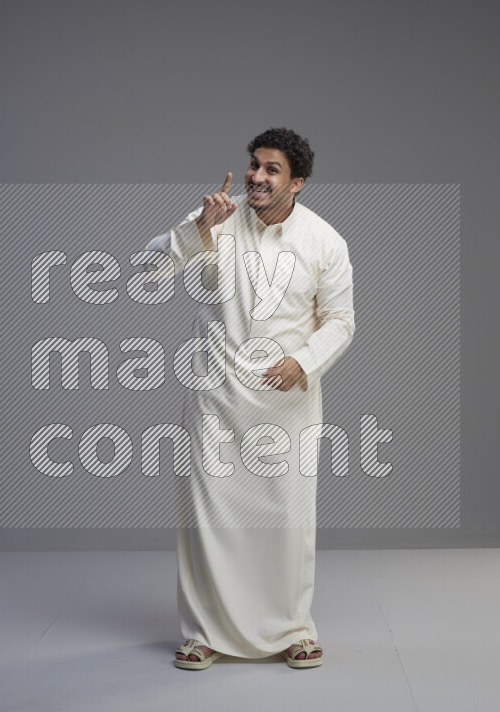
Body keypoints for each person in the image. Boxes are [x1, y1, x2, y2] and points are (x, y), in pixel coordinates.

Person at [145, 128, 355, 669]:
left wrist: (303, 361)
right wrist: (198, 229)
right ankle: (202, 633)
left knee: (288, 518)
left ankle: (293, 628)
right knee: (208, 520)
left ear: (297, 182)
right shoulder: (217, 216)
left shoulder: (324, 241)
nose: (257, 177)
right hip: (215, 396)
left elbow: (340, 320)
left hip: (286, 402)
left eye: (271, 169)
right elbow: (148, 270)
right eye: (254, 165)